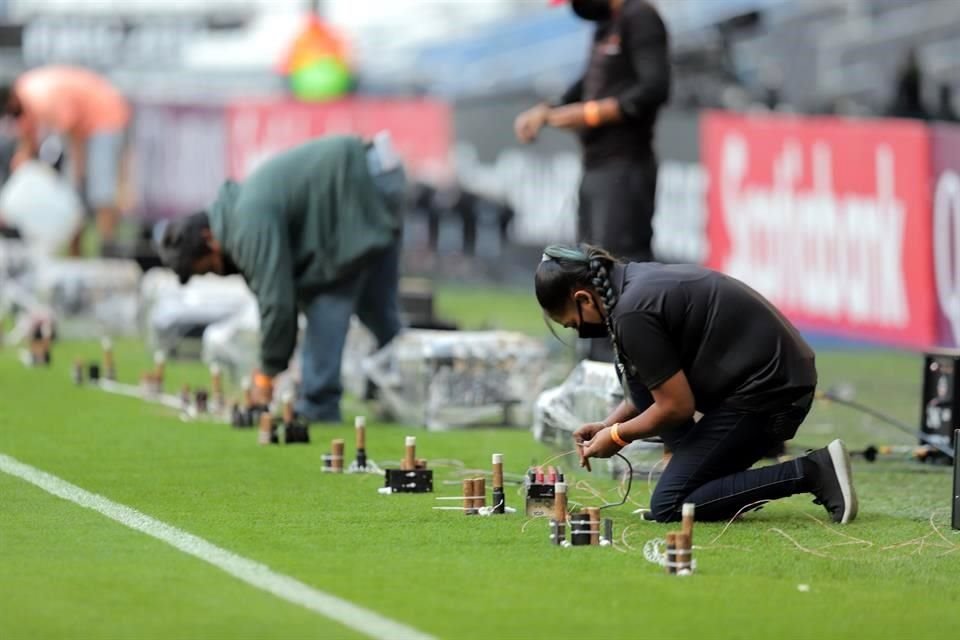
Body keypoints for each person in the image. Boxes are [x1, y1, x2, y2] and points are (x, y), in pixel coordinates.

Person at [534, 244, 858, 524]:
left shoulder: (631, 312)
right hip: (766, 385)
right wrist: (607, 424)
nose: (578, 331)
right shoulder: (629, 290)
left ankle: (814, 471)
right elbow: (647, 388)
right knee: (690, 491)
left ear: (584, 298)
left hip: (772, 396)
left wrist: (618, 437)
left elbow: (676, 406)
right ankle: (716, 495)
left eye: (573, 324)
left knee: (670, 504)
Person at [155, 134, 406, 423]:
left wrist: (266, 373)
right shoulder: (241, 212)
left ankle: (318, 404)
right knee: (377, 307)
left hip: (362, 181)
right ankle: (411, 391)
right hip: (376, 172)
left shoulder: (246, 225)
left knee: (328, 291)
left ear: (209, 238)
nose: (217, 272)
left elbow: (277, 301)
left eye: (208, 267)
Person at [514, 0, 670, 264]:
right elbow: (588, 82)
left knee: (622, 265)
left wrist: (591, 114)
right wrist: (547, 109)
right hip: (596, 164)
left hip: (626, 164)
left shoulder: (640, 17)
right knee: (592, 265)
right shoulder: (607, 23)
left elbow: (655, 88)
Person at [0, 66, 130, 256]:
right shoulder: (24, 100)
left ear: (10, 100)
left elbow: (72, 135)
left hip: (104, 114)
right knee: (73, 192)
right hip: (82, 123)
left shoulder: (42, 97)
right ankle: (75, 253)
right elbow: (27, 142)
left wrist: (78, 173)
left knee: (99, 186)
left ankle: (107, 246)